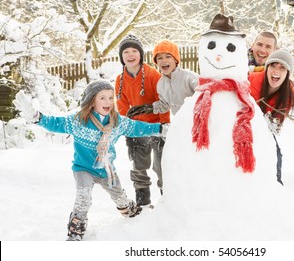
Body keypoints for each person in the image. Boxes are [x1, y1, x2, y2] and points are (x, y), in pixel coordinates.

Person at [16, 80, 168, 241]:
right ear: (92, 100)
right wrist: (36, 117)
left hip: (106, 169)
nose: (108, 102)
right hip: (83, 168)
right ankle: (76, 227)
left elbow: (138, 127)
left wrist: (160, 128)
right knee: (84, 196)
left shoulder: (118, 122)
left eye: (110, 98)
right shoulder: (79, 121)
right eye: (102, 98)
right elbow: (55, 124)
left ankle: (127, 209)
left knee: (119, 196)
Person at [115, 34, 170, 207]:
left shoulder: (153, 75)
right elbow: (122, 105)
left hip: (156, 126)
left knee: (161, 165)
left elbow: (162, 101)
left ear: (140, 54)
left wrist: (164, 125)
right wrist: (127, 128)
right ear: (121, 57)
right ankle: (143, 200)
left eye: (134, 51)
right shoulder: (120, 80)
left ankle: (166, 197)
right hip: (136, 128)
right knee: (139, 165)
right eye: (126, 52)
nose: (130, 55)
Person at [248, 49, 294, 185]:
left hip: (263, 130)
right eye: (273, 65)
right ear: (267, 67)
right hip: (242, 127)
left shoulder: (289, 96)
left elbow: (274, 126)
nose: (276, 71)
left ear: (287, 73)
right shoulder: (250, 81)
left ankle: (275, 188)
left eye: (282, 68)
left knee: (276, 156)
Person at [127, 40, 199, 117]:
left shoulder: (190, 78)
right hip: (181, 123)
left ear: (175, 59)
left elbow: (205, 96)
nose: (164, 60)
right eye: (160, 58)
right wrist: (149, 108)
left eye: (168, 56)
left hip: (198, 120)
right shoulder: (161, 84)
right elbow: (165, 104)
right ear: (156, 62)